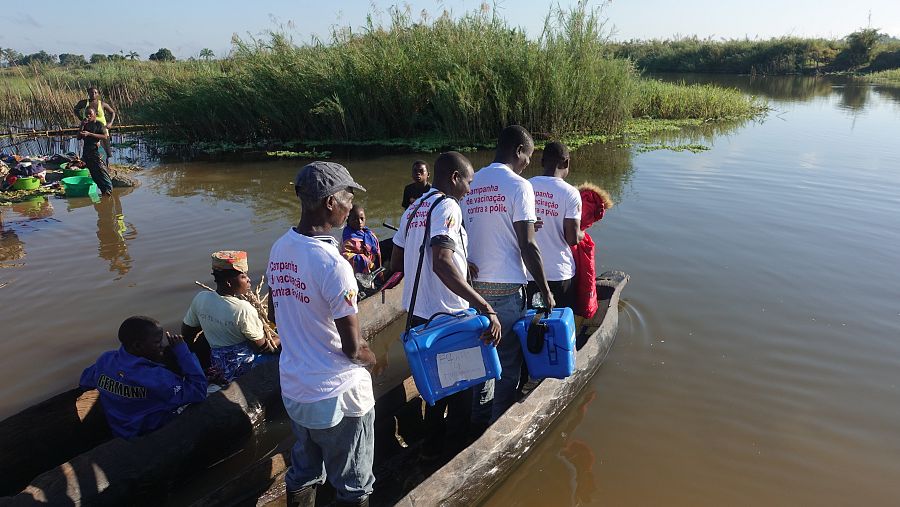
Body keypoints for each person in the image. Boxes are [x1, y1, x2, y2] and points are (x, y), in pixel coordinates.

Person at [267, 161, 376, 507]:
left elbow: (275, 314)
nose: (350, 206)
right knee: (354, 486)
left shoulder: (280, 248)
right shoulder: (334, 265)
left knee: (305, 470)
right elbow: (352, 348)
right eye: (348, 197)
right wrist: (371, 359)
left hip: (297, 389)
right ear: (330, 202)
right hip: (338, 395)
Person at [391, 151, 502, 457]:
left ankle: (431, 451)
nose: (469, 189)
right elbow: (441, 262)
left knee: (434, 394)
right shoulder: (448, 206)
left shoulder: (413, 210)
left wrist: (460, 265)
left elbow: (397, 262)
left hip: (418, 320)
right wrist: (485, 306)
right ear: (455, 178)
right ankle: (453, 459)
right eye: (468, 181)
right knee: (460, 397)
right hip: (448, 321)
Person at [461, 125, 555, 428]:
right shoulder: (519, 185)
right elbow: (527, 245)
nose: (528, 162)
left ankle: (475, 422)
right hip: (504, 291)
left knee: (480, 361)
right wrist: (545, 290)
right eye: (527, 156)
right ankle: (496, 430)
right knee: (507, 364)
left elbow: (466, 230)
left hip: (472, 289)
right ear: (518, 151)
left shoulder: (471, 181)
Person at [79, 316, 207, 440]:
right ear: (137, 346)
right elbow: (199, 391)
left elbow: (85, 381)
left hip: (118, 429)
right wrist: (182, 351)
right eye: (157, 342)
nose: (162, 345)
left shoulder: (105, 360)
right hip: (150, 431)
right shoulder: (157, 377)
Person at [182, 251, 279, 386]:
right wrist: (282, 337)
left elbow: (187, 332)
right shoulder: (243, 309)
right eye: (244, 276)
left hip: (218, 364)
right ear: (229, 282)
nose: (249, 280)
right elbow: (262, 348)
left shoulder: (201, 298)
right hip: (242, 366)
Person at [527, 141, 583, 309]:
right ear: (566, 163)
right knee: (560, 324)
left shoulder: (525, 186)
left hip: (528, 272)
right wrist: (582, 233)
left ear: (542, 162)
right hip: (559, 273)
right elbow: (572, 239)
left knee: (529, 326)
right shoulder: (570, 193)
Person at [73, 86, 116, 162]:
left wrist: (110, 123)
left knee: (106, 149)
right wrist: (81, 118)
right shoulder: (83, 103)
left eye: (95, 92)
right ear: (88, 94)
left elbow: (112, 112)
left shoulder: (102, 104)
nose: (93, 94)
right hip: (89, 127)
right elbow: (76, 109)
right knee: (91, 147)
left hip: (101, 128)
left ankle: (106, 164)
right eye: (91, 92)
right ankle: (91, 162)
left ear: (98, 94)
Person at [77, 107, 113, 196]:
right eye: (86, 114)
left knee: (102, 171)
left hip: (97, 151)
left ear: (95, 115)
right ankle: (104, 191)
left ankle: (109, 191)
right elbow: (78, 137)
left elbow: (105, 136)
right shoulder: (85, 125)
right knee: (94, 174)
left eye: (90, 114)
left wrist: (90, 134)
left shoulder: (99, 124)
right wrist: (81, 125)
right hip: (88, 151)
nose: (88, 116)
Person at [341, 205, 382, 276]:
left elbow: (376, 250)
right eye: (355, 219)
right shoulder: (348, 239)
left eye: (362, 218)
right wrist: (366, 261)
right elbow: (346, 256)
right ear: (348, 221)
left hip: (373, 267)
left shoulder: (368, 233)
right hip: (359, 274)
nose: (359, 222)